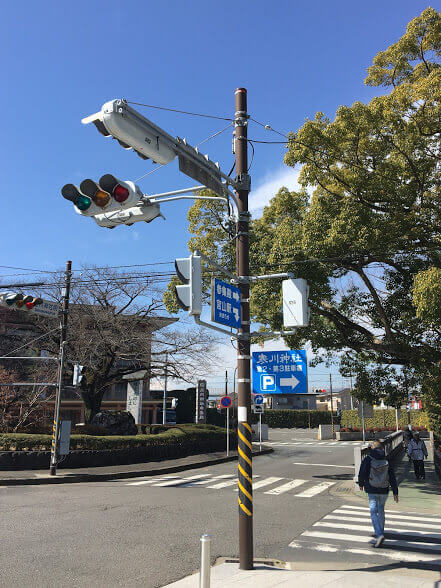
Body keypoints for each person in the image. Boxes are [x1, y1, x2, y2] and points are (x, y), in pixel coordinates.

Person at [358, 440, 399, 548]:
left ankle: (379, 534)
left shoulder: (368, 459)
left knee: (373, 510)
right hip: (384, 489)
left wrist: (361, 484)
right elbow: (392, 476)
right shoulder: (386, 459)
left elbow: (362, 472)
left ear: (372, 448)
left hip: (372, 488)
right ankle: (381, 531)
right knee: (381, 510)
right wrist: (395, 491)